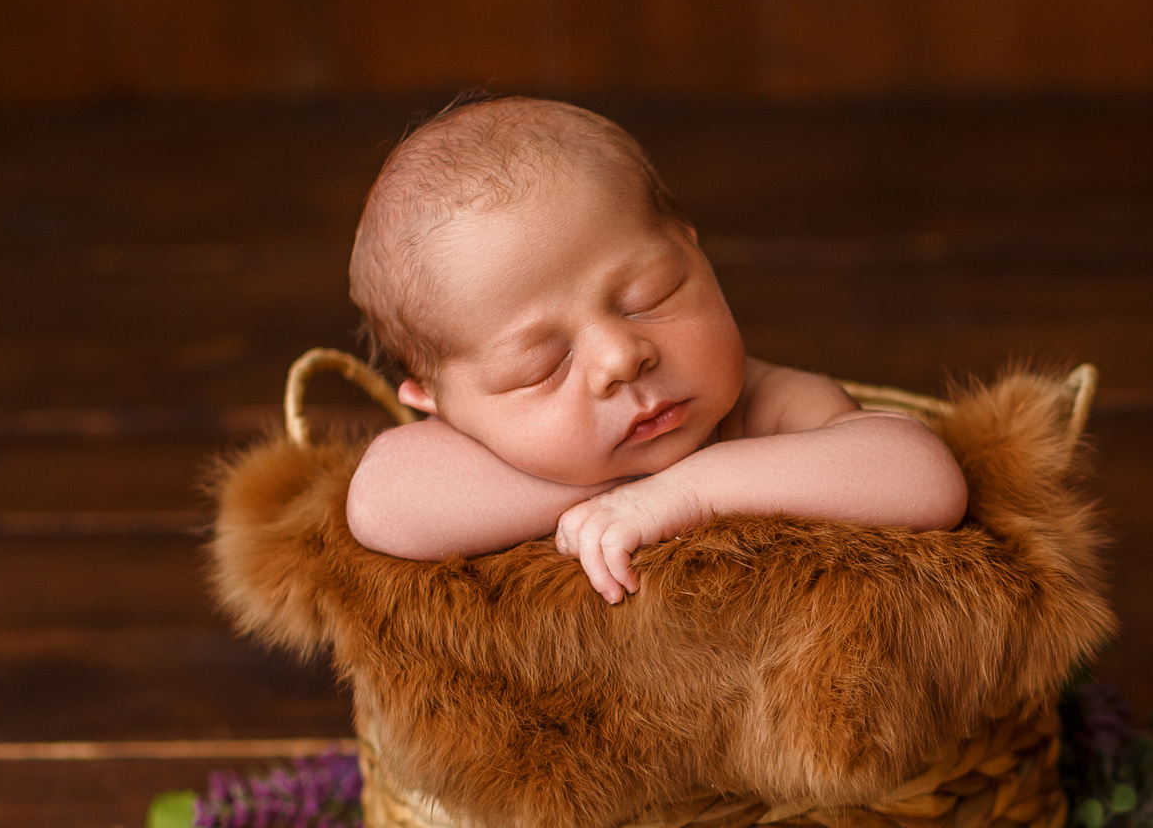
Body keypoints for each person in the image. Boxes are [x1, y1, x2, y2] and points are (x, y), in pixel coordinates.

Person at [343, 97, 966, 603]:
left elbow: (923, 476)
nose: (621, 357)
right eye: (541, 365)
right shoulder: (464, 455)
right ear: (438, 403)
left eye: (649, 295)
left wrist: (686, 491)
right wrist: (605, 489)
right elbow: (378, 501)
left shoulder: (762, 406)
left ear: (696, 253)